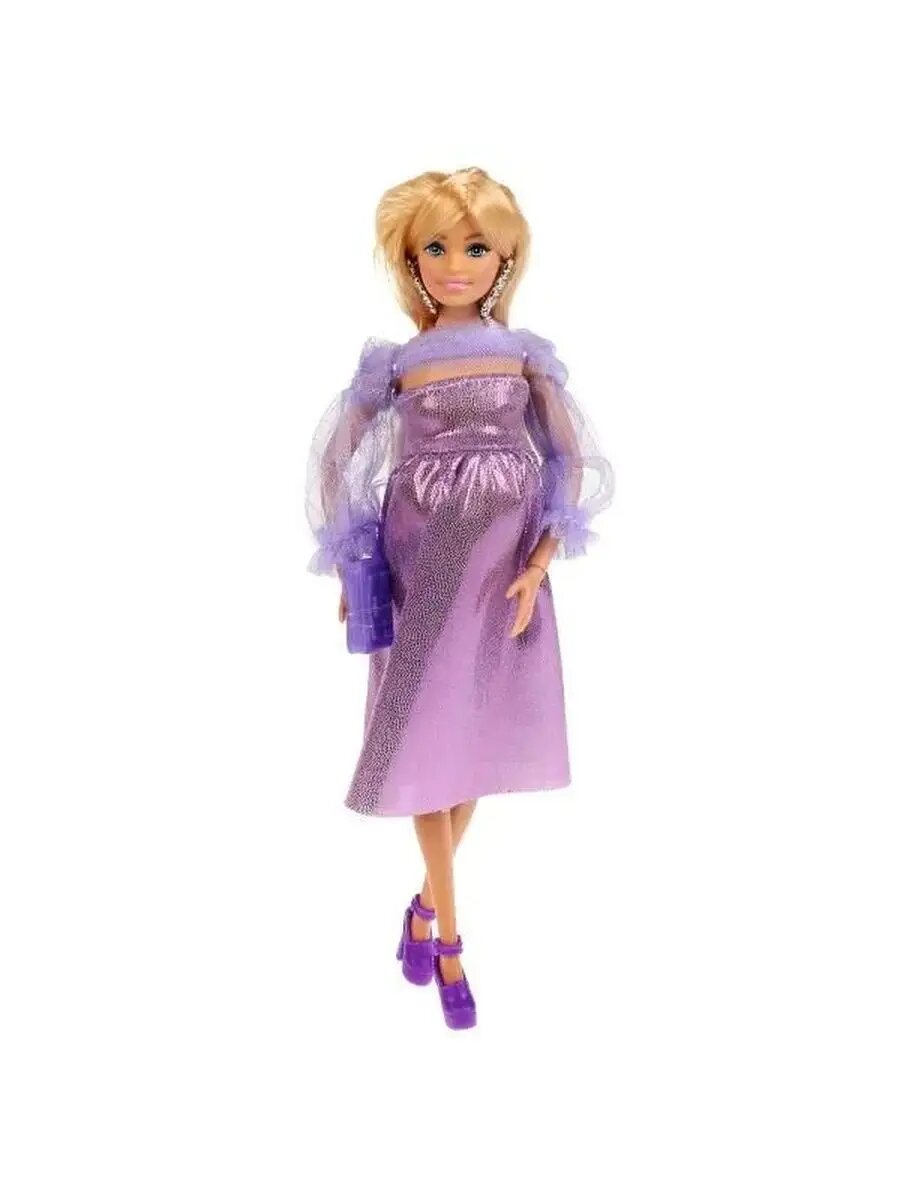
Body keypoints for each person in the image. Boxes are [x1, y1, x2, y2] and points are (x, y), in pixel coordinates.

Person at [305, 167, 614, 1029]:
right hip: (422, 563)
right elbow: (339, 461)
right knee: (422, 730)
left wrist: (539, 561)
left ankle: (421, 910)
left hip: (501, 573)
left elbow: (568, 461)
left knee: (470, 731)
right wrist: (354, 559)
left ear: (504, 258)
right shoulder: (397, 366)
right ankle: (447, 940)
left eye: (475, 248)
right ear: (410, 260)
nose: (454, 265)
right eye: (435, 248)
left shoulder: (523, 355)